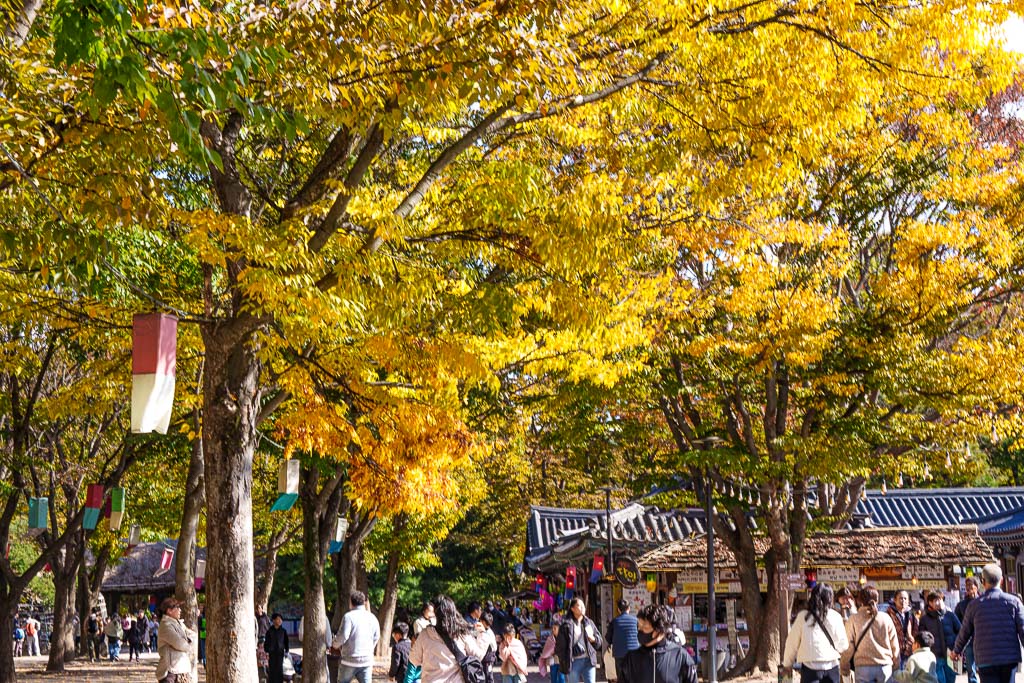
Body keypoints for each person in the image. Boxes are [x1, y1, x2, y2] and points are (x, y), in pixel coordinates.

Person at [952, 563, 1024, 683]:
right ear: (1001, 581)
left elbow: (964, 632)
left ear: (982, 581)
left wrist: (956, 651)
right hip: (1009, 658)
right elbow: (1022, 628)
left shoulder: (974, 605)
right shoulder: (1014, 602)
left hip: (985, 658)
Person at [410, 594, 488, 683]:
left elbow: (414, 659)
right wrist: (483, 634)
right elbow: (478, 655)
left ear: (435, 614)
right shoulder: (461, 633)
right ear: (453, 612)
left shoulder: (425, 634)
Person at [783, 583, 850, 683]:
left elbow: (791, 643)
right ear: (830, 598)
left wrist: (787, 663)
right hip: (832, 666)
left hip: (810, 668)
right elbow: (843, 645)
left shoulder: (803, 617)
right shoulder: (835, 616)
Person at [620, 604, 697, 683]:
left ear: (659, 631)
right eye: (639, 627)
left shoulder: (680, 657)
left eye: (645, 628)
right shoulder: (631, 659)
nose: (640, 631)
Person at [841, 586, 900, 683]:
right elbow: (895, 645)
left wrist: (844, 667)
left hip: (862, 667)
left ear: (860, 601)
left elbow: (848, 647)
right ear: (876, 600)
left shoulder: (853, 619)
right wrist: (895, 665)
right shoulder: (885, 618)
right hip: (884, 666)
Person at [331, 591, 381, 683]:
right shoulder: (372, 617)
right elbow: (377, 636)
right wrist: (370, 648)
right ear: (364, 602)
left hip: (349, 659)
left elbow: (343, 636)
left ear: (351, 602)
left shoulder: (348, 617)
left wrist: (334, 644)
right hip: (367, 660)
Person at [554, 597, 604, 683]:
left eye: (583, 605)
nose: (582, 607)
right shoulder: (566, 625)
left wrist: (594, 640)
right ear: (572, 609)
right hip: (573, 661)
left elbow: (599, 641)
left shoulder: (589, 622)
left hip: (589, 660)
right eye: (579, 605)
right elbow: (560, 646)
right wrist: (565, 660)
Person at [917, 592, 960, 683]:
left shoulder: (950, 615)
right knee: (939, 680)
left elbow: (960, 632)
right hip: (934, 655)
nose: (939, 602)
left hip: (951, 654)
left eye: (940, 600)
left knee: (951, 679)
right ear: (930, 603)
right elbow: (922, 637)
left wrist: (956, 647)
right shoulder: (924, 619)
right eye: (936, 600)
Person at [157, 597, 196, 683]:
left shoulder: (179, 623)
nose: (180, 610)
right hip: (170, 672)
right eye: (177, 607)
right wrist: (188, 642)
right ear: (169, 611)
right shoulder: (166, 625)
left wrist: (187, 640)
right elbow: (180, 644)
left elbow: (193, 635)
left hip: (180, 670)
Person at [606, 598, 640, 680]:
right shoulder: (636, 620)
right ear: (629, 608)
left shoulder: (614, 621)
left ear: (618, 610)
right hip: (634, 653)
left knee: (621, 678)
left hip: (619, 654)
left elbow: (608, 637)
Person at [956, 578, 980, 683]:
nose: (969, 587)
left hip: (982, 638)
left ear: (977, 586)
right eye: (967, 586)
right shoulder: (961, 605)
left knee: (985, 667)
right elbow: (956, 621)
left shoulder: (983, 601)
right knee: (971, 668)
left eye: (971, 585)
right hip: (969, 640)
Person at [887, 591, 918, 668]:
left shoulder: (911, 614)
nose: (903, 601)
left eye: (905, 598)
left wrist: (912, 640)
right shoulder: (889, 614)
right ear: (895, 600)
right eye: (901, 598)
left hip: (909, 650)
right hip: (894, 651)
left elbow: (916, 630)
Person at [264, 612, 291, 683]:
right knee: (272, 669)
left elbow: (286, 642)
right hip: (271, 654)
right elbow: (266, 642)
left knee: (279, 669)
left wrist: (287, 651)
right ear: (273, 620)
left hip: (280, 653)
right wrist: (267, 651)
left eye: (281, 619)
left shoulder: (283, 631)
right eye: (278, 619)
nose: (280, 621)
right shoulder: (269, 631)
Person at [477, 611, 498, 683]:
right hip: (486, 658)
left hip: (487, 658)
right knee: (485, 676)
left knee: (488, 677)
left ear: (483, 621)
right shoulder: (485, 631)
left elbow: (493, 648)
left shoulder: (487, 633)